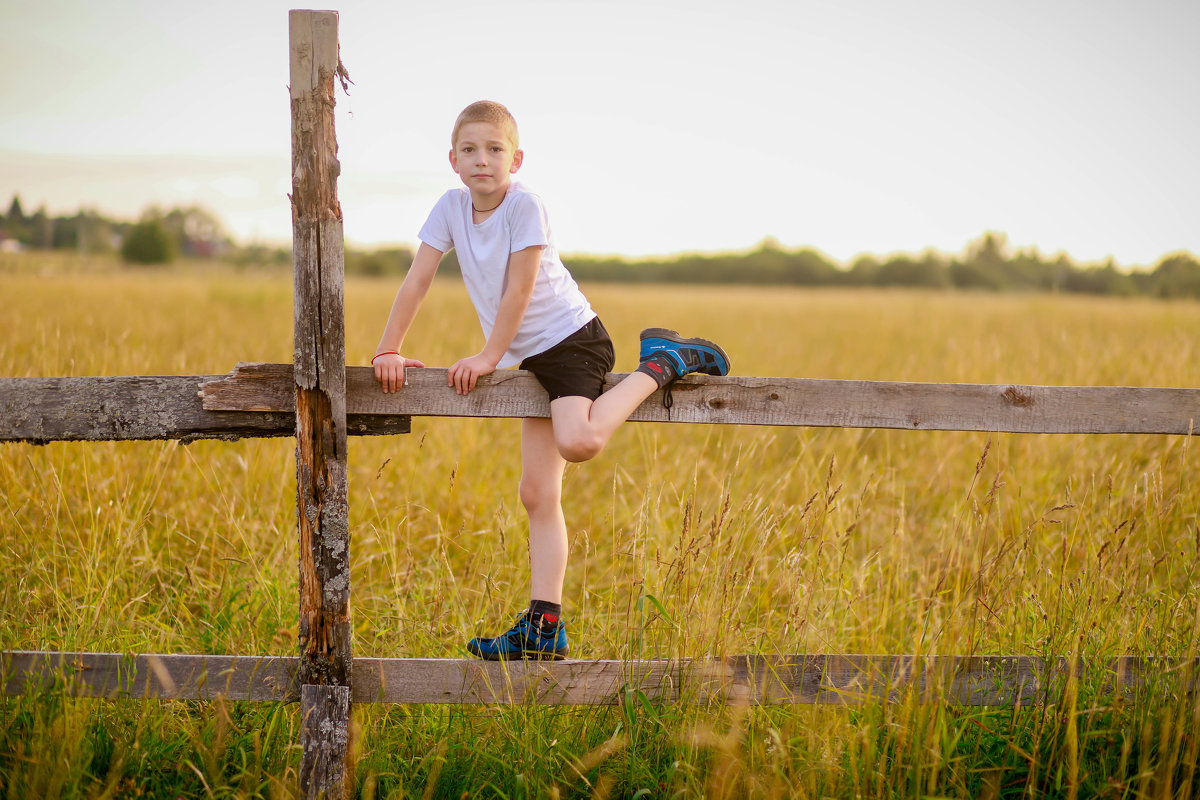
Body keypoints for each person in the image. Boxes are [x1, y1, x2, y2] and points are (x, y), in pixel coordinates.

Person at [372, 100, 730, 660]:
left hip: (570, 342)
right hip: (530, 356)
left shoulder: (525, 206)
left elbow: (519, 290)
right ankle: (543, 630)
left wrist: (490, 356)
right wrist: (388, 348)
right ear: (453, 159)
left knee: (579, 441)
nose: (482, 160)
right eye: (470, 149)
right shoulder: (449, 207)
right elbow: (418, 279)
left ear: (516, 158)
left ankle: (663, 362)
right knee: (537, 492)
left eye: (494, 149)